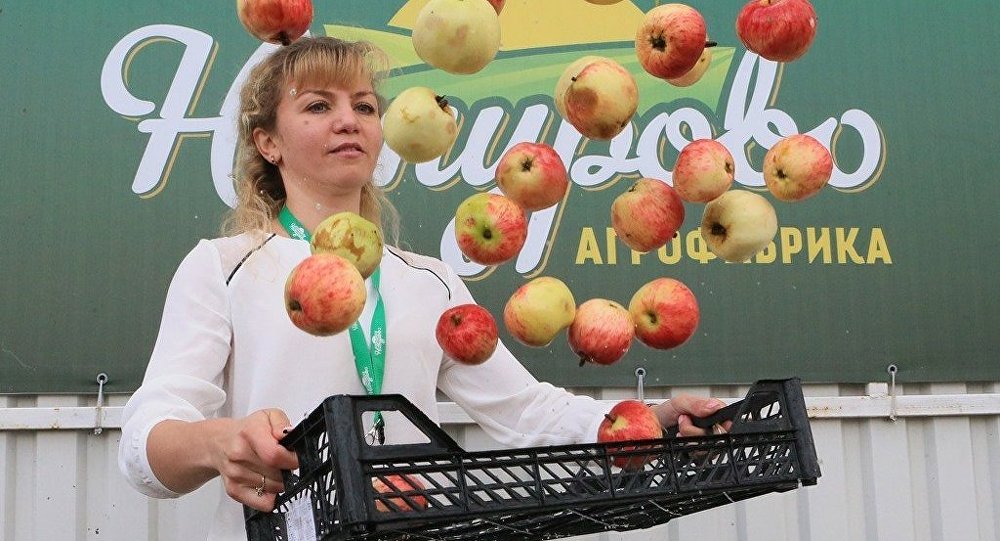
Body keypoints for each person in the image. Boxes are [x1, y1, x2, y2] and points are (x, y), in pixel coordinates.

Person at [118, 36, 728, 540]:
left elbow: (525, 410)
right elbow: (146, 447)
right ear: (268, 143)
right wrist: (220, 442)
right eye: (316, 107)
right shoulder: (225, 265)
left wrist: (652, 421)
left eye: (363, 106)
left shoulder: (430, 280)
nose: (347, 122)